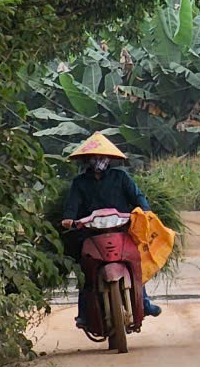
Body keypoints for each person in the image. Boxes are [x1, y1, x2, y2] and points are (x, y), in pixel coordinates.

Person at [60, 133, 162, 325]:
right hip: (90, 233)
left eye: (102, 157)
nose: (98, 161)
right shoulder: (79, 183)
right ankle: (84, 313)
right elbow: (72, 206)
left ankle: (145, 303)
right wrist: (69, 219)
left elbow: (137, 197)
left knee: (135, 263)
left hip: (121, 230)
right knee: (85, 269)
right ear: (87, 160)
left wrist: (146, 212)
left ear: (109, 159)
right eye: (94, 157)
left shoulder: (121, 177)